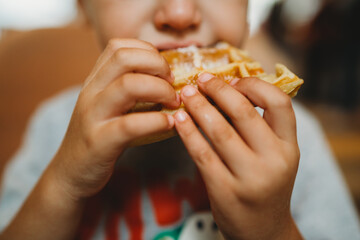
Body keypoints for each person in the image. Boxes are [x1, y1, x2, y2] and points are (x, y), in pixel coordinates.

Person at [0, 0, 359, 239]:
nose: (180, 13)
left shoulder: (291, 136)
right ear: (84, 7)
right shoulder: (55, 127)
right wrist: (65, 184)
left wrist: (274, 229)